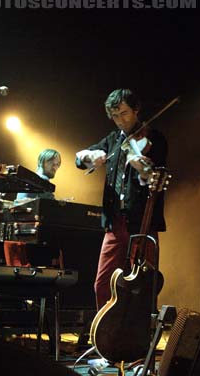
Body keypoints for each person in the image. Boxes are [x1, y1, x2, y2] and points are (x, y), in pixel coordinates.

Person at [75, 88, 167, 310]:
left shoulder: (154, 138)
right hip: (115, 223)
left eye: (124, 113)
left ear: (136, 110)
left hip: (142, 222)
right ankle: (106, 335)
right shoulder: (113, 140)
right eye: (115, 116)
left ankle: (139, 337)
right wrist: (90, 156)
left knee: (143, 285)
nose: (120, 121)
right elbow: (79, 159)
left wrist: (144, 169)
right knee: (102, 284)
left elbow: (157, 174)